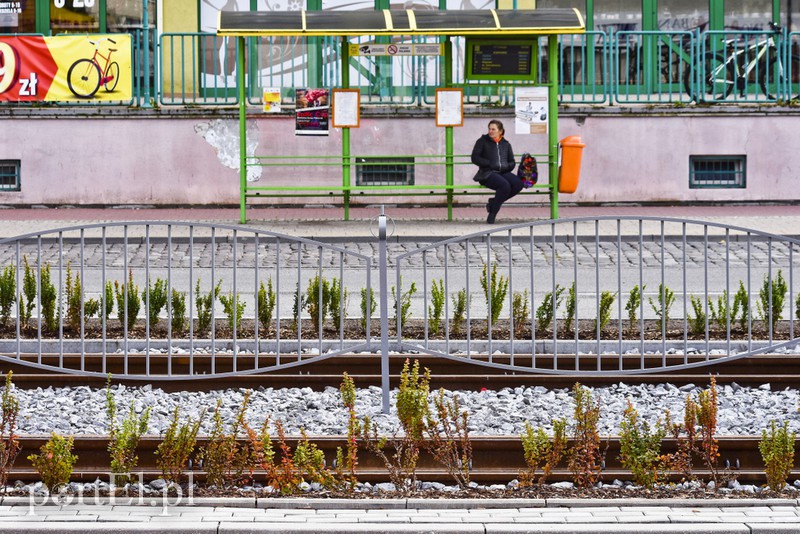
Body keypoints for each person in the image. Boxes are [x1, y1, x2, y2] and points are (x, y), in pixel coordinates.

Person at [471, 119, 524, 224]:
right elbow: (475, 158)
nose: (491, 131)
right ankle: (492, 214)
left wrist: (507, 166)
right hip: (487, 173)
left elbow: (512, 161)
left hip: (503, 172)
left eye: (493, 129)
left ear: (500, 131)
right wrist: (489, 164)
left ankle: (494, 202)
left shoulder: (506, 144)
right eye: (489, 129)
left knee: (518, 184)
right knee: (505, 186)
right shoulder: (482, 141)